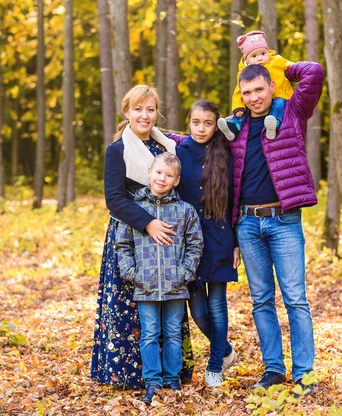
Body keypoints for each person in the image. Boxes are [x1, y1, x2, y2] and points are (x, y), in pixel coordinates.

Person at [228, 62, 324, 394]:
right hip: (247, 223)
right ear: (241, 95)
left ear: (272, 86)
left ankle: (304, 375)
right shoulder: (235, 128)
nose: (254, 97)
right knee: (261, 300)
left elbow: (314, 72)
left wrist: (277, 62)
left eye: (259, 89)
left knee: (295, 299)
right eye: (247, 92)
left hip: (284, 221)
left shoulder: (291, 114)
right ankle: (273, 370)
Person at [90, 85, 195, 389]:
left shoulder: (166, 149)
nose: (144, 115)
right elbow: (114, 199)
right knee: (129, 303)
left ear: (156, 113)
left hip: (167, 239)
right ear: (127, 112)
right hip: (132, 232)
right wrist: (148, 223)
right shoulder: (118, 150)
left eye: (150, 109)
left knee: (168, 305)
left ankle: (170, 374)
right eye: (138, 109)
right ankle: (130, 374)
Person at [116, 153, 203, 404]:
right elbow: (123, 244)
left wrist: (185, 273)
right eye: (158, 173)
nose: (162, 178)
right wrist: (132, 273)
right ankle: (152, 382)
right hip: (145, 284)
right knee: (150, 333)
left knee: (174, 333)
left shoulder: (185, 211)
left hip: (176, 285)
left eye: (168, 175)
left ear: (176, 181)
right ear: (149, 173)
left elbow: (195, 244)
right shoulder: (135, 209)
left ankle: (172, 380)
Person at [168, 99, 241, 387]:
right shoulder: (179, 151)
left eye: (208, 123)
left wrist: (235, 243)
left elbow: (234, 201)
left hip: (219, 236)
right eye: (196, 122)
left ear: (216, 124)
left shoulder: (226, 152)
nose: (201, 128)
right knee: (198, 311)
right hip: (189, 240)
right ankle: (226, 351)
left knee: (218, 305)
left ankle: (215, 367)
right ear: (189, 122)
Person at [217, 30, 294, 141]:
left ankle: (273, 124)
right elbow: (239, 92)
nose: (259, 58)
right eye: (254, 56)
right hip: (257, 105)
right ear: (246, 59)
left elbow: (290, 65)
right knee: (242, 113)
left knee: (279, 104)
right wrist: (238, 107)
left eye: (263, 54)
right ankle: (233, 126)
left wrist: (298, 70)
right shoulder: (244, 73)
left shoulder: (276, 61)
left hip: (279, 95)